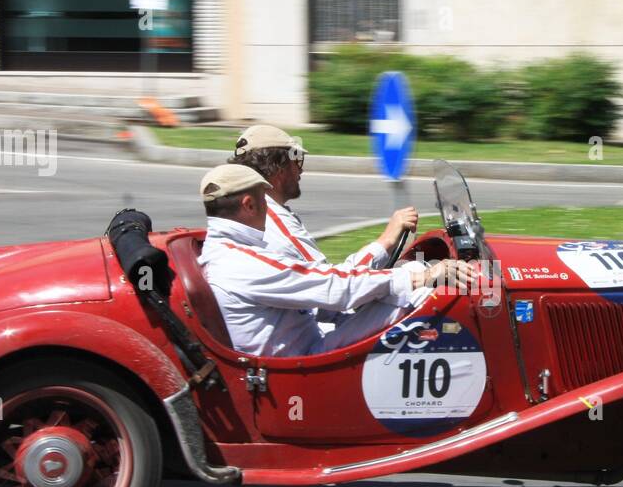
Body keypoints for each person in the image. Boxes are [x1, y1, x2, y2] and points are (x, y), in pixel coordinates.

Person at [197, 163, 476, 357]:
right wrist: (422, 277)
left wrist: (410, 272)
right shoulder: (241, 263)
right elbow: (333, 287)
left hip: (307, 342)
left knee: (410, 277)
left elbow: (326, 285)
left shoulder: (226, 251)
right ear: (248, 204)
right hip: (306, 361)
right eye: (263, 201)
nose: (269, 211)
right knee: (422, 297)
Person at [229, 124, 417, 267]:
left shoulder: (242, 213)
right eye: (297, 160)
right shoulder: (275, 221)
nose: (301, 170)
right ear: (279, 168)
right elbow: (337, 285)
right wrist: (387, 239)